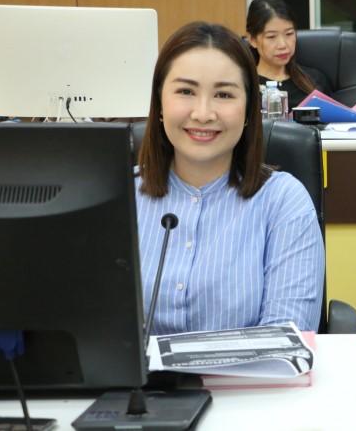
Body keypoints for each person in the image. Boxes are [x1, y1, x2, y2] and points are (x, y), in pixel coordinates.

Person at [135, 21, 325, 335]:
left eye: (223, 94)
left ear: (249, 109)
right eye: (185, 91)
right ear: (159, 103)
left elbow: (284, 338)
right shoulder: (122, 198)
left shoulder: (283, 202)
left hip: (254, 370)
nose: (203, 113)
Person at [245, 0, 333, 111]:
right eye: (271, 36)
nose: (282, 45)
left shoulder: (314, 80)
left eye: (289, 34)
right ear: (252, 39)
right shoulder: (244, 83)